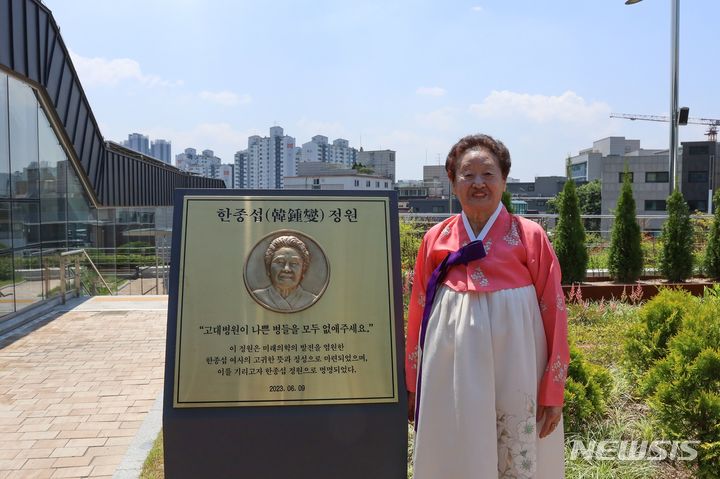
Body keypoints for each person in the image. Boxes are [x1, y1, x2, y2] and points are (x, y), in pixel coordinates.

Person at [406, 134, 569, 478]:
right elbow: (419, 308)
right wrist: (413, 381)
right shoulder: (435, 239)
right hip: (450, 365)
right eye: (467, 175)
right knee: (456, 445)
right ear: (453, 183)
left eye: (488, 174)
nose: (478, 183)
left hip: (518, 360)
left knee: (515, 450)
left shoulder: (531, 236)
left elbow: (554, 310)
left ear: (504, 180)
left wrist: (554, 388)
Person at [253, 235, 317, 312]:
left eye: (294, 263)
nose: (286, 269)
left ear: (303, 270)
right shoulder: (257, 297)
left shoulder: (311, 300)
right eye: (280, 262)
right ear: (268, 269)